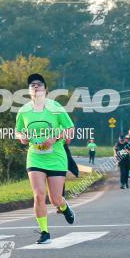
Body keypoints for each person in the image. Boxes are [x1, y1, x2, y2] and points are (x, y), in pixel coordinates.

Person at [15, 73, 76, 244]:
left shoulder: (55, 107)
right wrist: (22, 137)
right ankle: (44, 232)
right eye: (32, 85)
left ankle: (64, 207)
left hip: (55, 157)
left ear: (45, 90)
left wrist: (55, 138)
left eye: (39, 84)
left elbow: (70, 129)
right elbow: (18, 130)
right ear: (29, 90)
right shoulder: (24, 111)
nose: (35, 87)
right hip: (35, 157)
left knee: (55, 198)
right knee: (38, 195)